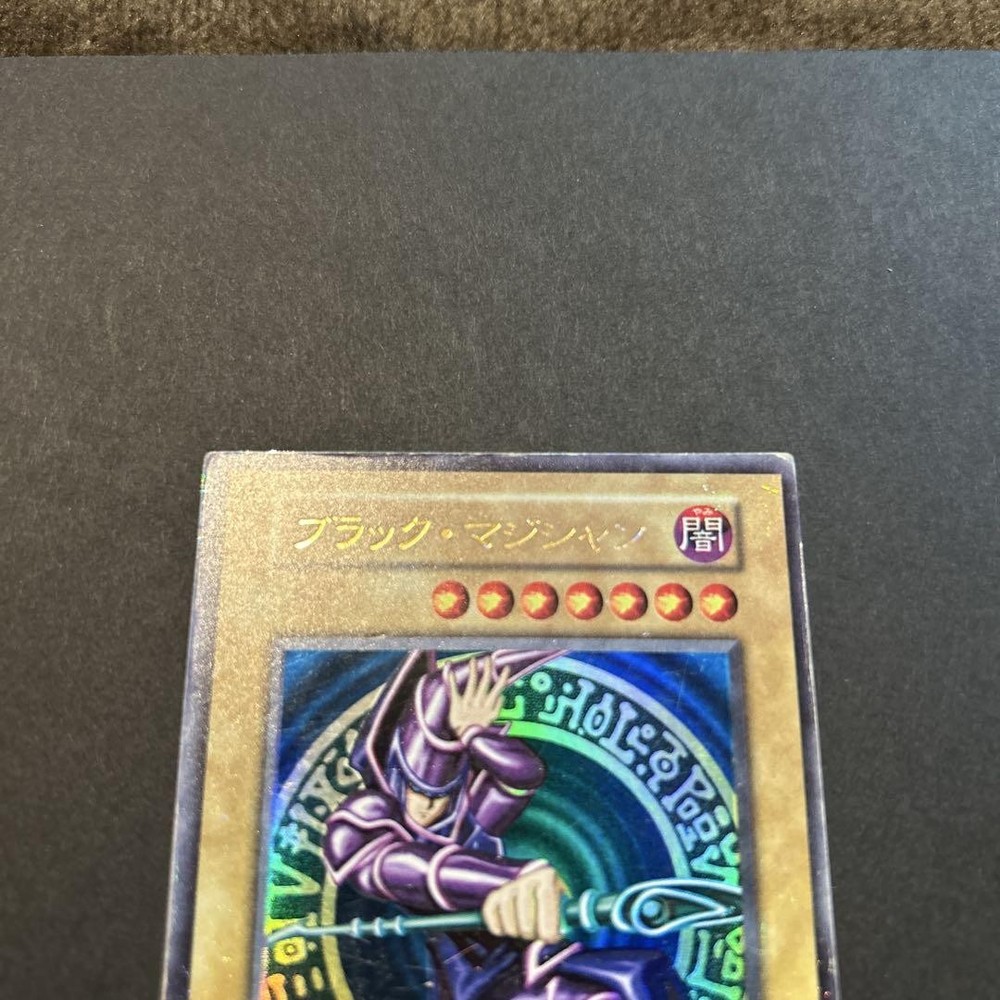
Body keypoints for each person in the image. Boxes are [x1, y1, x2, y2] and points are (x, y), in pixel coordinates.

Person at [323, 650, 669, 1000]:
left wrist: (475, 734)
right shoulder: (368, 815)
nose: (429, 806)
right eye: (416, 789)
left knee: (637, 981)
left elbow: (525, 775)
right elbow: (389, 868)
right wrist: (502, 881)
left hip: (532, 959)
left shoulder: (465, 815)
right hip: (475, 983)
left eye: (443, 793)